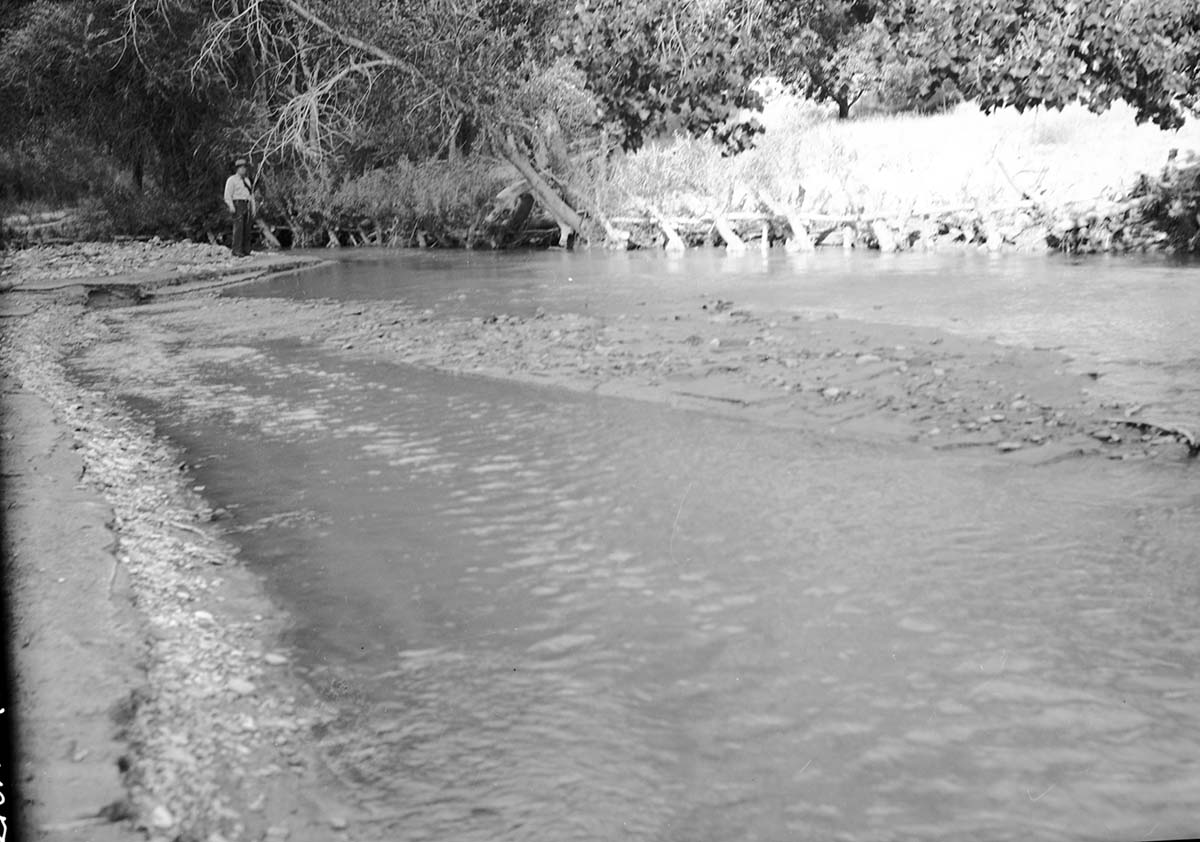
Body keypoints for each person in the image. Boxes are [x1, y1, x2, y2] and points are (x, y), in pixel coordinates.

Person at [223, 157, 257, 257]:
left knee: (246, 228)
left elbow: (251, 195)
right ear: (237, 169)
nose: (244, 169)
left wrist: (253, 206)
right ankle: (236, 250)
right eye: (241, 168)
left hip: (247, 204)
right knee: (238, 228)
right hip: (238, 204)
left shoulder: (247, 180)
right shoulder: (231, 180)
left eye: (245, 168)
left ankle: (246, 249)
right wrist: (231, 206)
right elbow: (227, 195)